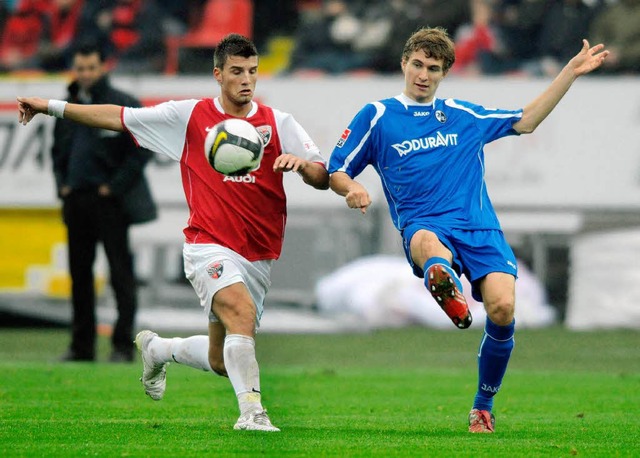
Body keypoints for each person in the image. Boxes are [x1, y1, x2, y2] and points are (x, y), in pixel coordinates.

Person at [17, 33, 329, 432]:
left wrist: (303, 166)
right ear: (218, 74)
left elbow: (322, 174)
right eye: (236, 72)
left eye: (252, 71)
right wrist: (50, 107)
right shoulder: (190, 117)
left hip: (258, 254)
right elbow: (119, 117)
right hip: (207, 244)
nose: (246, 80)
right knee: (240, 314)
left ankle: (159, 349)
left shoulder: (277, 122)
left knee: (221, 360)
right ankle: (252, 413)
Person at [327, 27, 607, 433]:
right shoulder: (378, 115)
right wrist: (351, 187)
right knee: (425, 243)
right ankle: (442, 281)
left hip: (479, 228)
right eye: (418, 65)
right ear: (404, 63)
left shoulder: (463, 115)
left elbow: (525, 121)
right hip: (424, 223)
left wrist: (569, 73)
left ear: (444, 74)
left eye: (433, 69)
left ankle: (483, 405)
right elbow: (337, 169)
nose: (423, 75)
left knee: (503, 309)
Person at [50, 42, 156, 363]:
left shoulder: (122, 105)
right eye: (80, 68)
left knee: (120, 274)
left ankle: (122, 346)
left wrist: (115, 187)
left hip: (110, 203)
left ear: (103, 67)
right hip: (77, 201)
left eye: (90, 68)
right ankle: (81, 347)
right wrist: (63, 186)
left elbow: (144, 147)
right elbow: (58, 153)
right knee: (79, 276)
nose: (85, 74)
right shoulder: (66, 106)